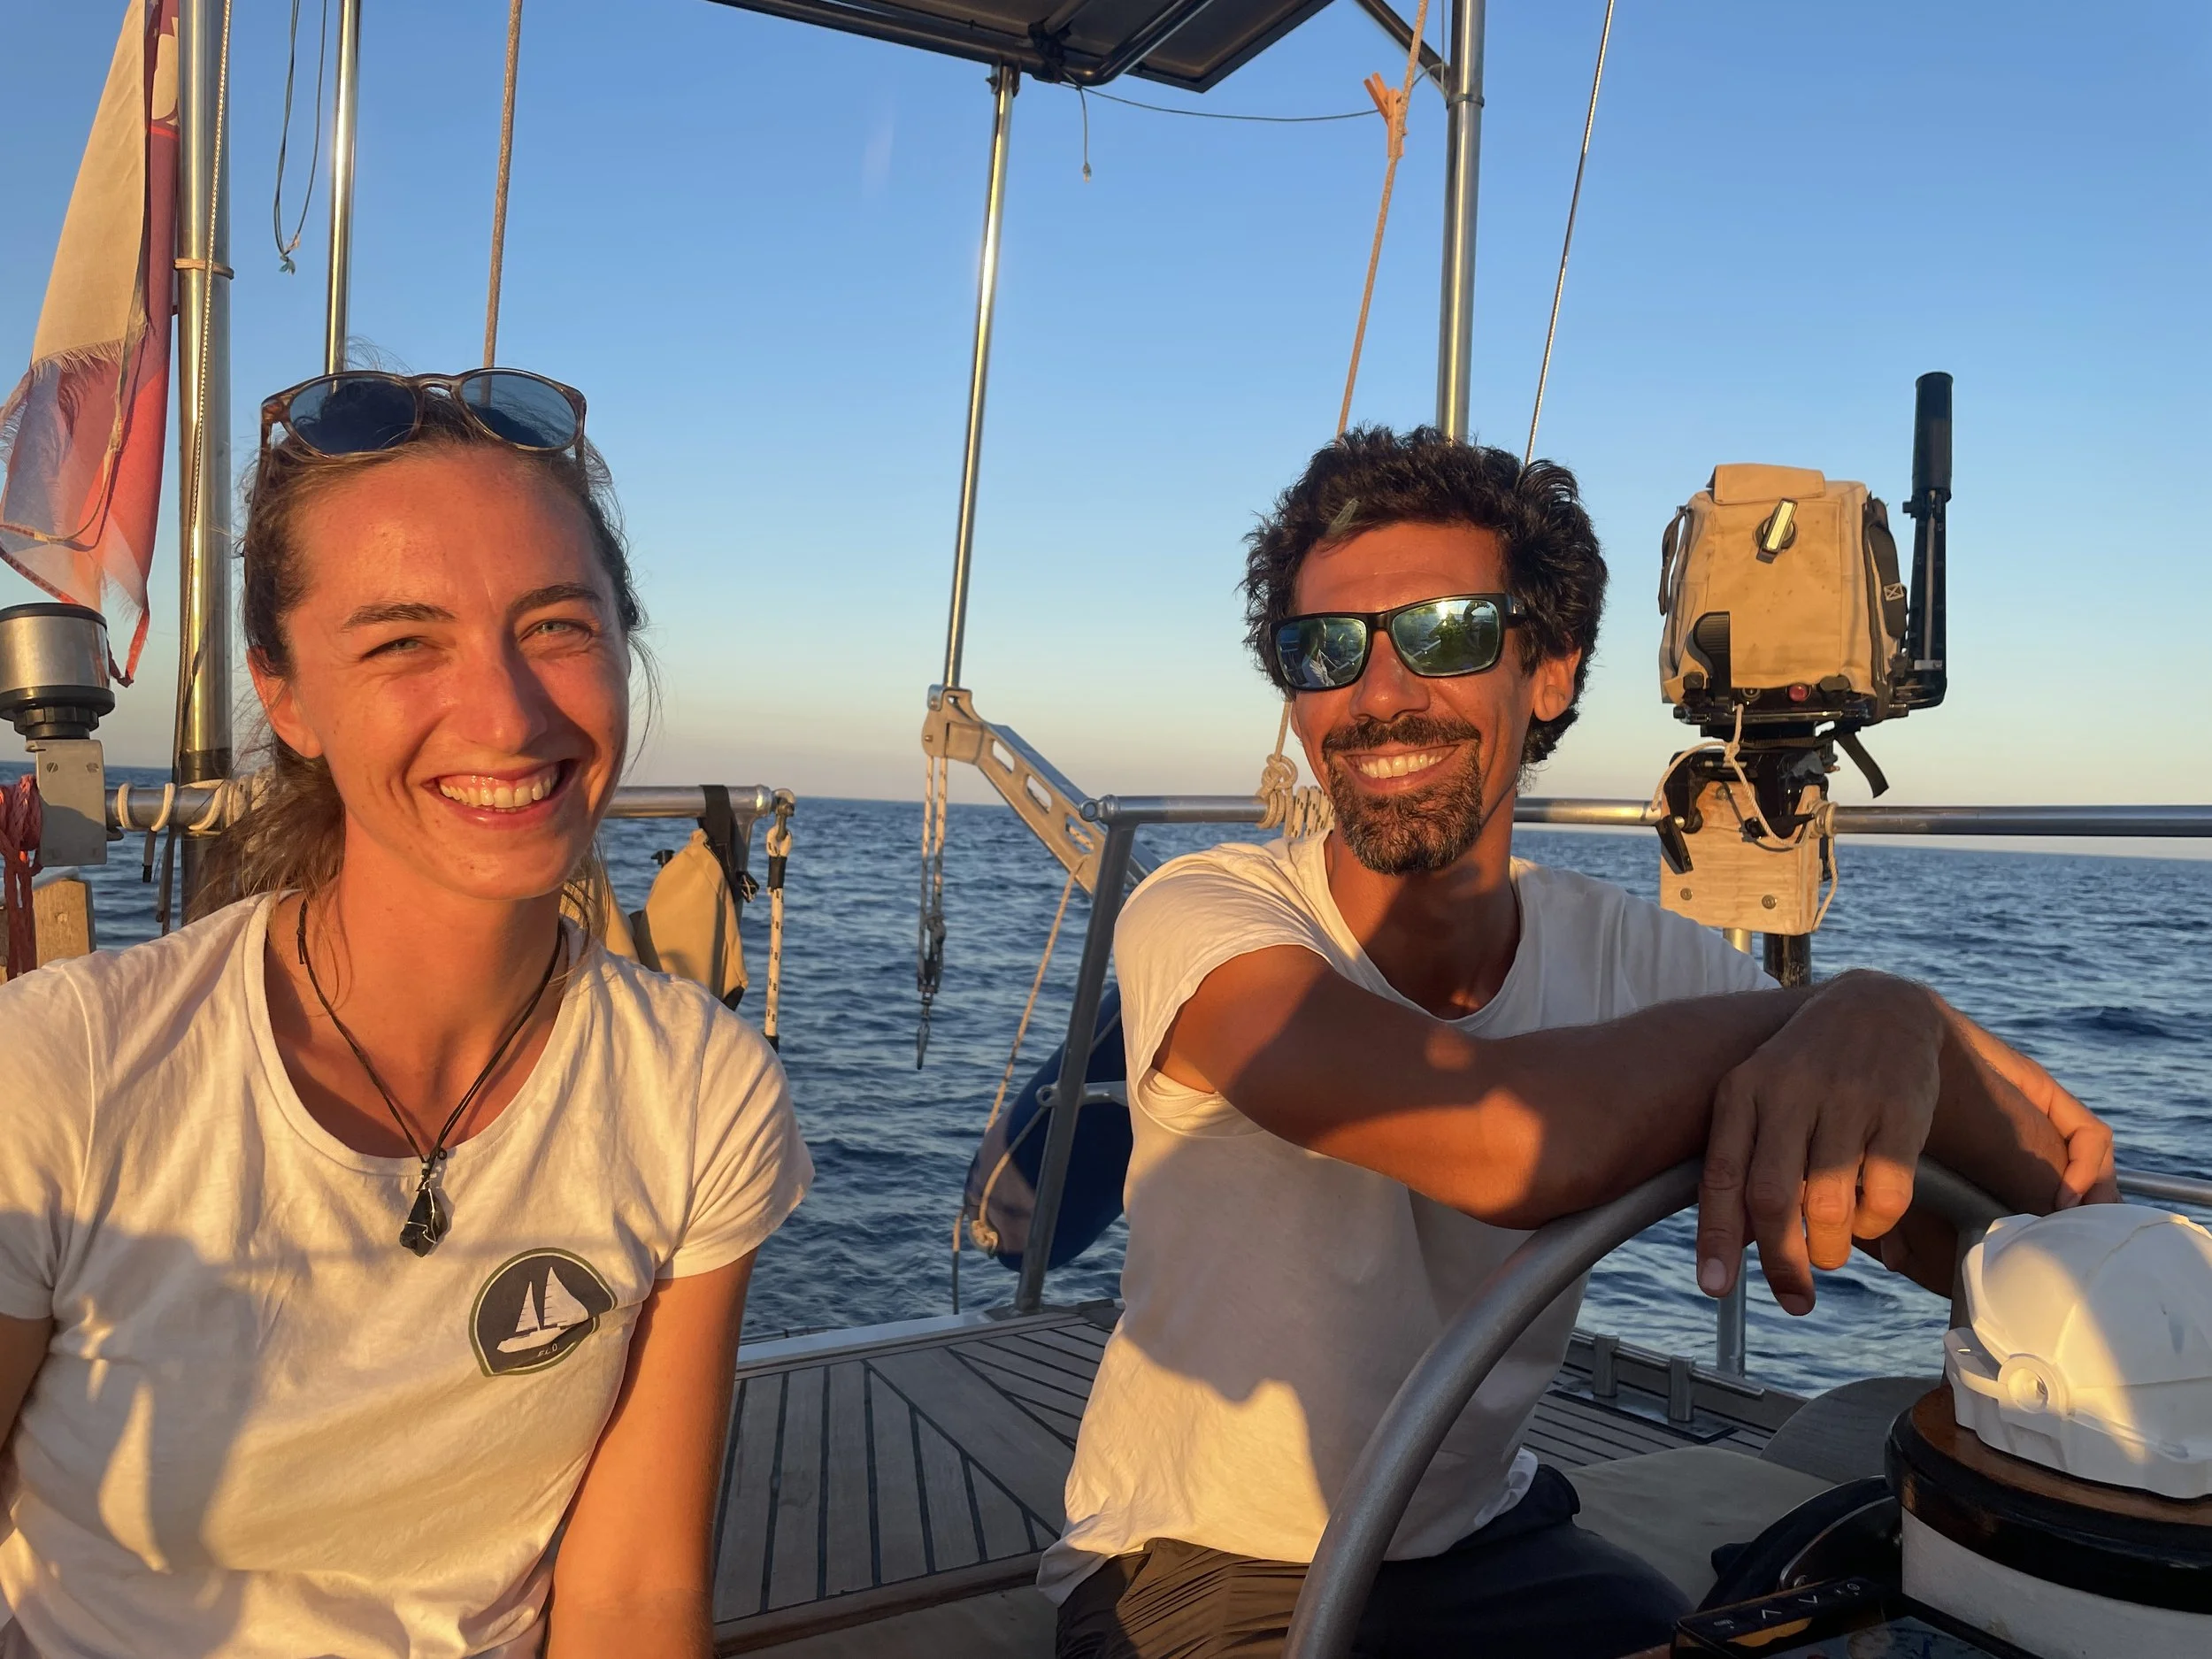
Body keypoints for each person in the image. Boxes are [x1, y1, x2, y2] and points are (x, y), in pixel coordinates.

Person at [1047, 428, 2116, 1659]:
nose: (1380, 692)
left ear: (1548, 671)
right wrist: (1848, 1012)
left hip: (1486, 1533)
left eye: (1447, 632)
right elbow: (1507, 1139)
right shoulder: (1204, 914)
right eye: (1326, 648)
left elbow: (2012, 1216)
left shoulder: (1629, 964)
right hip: (1201, 1565)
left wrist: (1887, 1029)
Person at [0, 369, 811, 1658]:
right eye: (403, 641)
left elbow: (634, 1596)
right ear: (287, 695)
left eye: (555, 627)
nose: (505, 713)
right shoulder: (69, 1071)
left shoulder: (698, 1093)